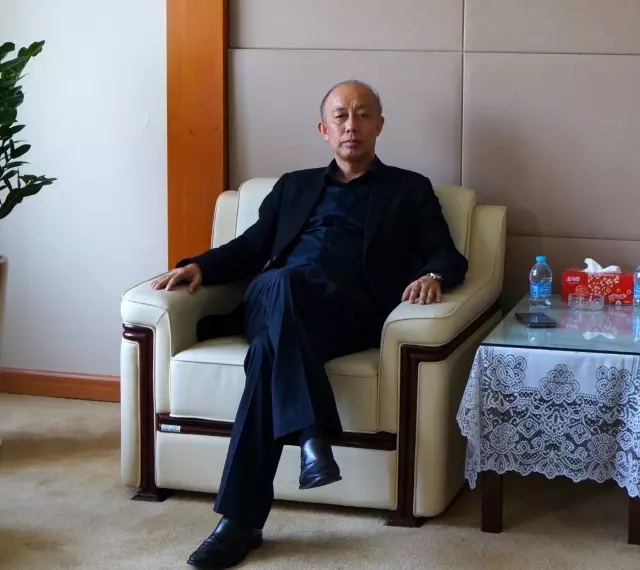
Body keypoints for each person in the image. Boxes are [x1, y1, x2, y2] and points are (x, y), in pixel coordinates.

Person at [151, 79, 468, 569]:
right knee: (283, 281)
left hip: (347, 313)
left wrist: (433, 276)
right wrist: (200, 266)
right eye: (340, 116)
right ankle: (310, 435)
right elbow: (251, 247)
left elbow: (447, 254)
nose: (351, 125)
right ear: (324, 129)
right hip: (272, 298)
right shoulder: (293, 186)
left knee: (266, 354)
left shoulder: (408, 189)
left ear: (379, 125)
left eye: (363, 114)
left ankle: (241, 521)